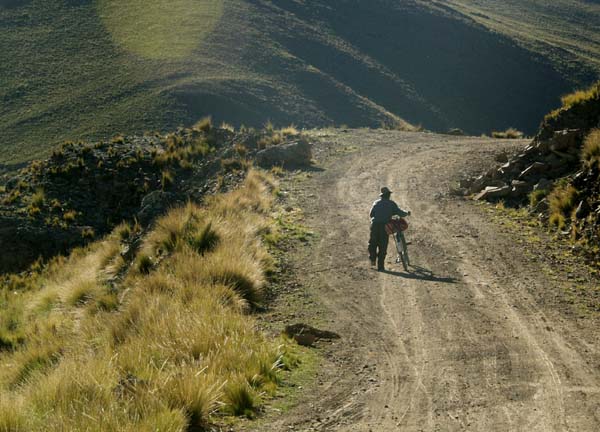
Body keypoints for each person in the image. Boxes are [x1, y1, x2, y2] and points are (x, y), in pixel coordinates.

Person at [369, 187, 410, 271]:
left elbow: (371, 215)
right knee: (383, 245)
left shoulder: (376, 203)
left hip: (375, 225)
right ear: (388, 195)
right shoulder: (391, 204)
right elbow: (400, 213)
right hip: (385, 227)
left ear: (381, 196)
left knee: (373, 243)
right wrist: (407, 213)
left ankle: (373, 259)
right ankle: (381, 267)